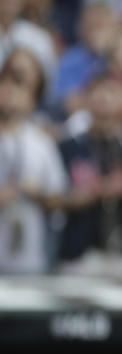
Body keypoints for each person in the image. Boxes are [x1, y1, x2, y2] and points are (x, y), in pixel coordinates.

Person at [58, 73, 122, 275]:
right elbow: (52, 198)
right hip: (81, 251)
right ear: (86, 98)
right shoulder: (69, 147)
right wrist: (92, 191)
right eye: (97, 91)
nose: (104, 97)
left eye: (111, 91)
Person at [0, 62, 67, 274]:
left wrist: (38, 194)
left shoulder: (41, 142)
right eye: (3, 86)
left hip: (28, 255)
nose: (8, 93)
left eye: (17, 88)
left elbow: (59, 197)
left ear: (31, 100)